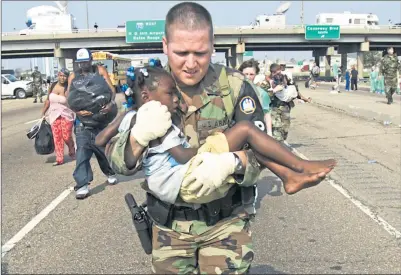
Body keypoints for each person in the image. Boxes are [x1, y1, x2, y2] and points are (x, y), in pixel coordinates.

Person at [105, 2, 318, 273]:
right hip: (170, 228)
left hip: (225, 225)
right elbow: (117, 161)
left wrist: (233, 164)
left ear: (213, 45)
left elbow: (261, 153)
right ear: (165, 45)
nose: (191, 63)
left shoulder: (235, 86)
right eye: (181, 52)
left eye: (201, 53)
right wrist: (136, 138)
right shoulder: (149, 87)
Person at [99, 66, 335, 204]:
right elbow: (180, 155)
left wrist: (126, 118)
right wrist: (214, 152)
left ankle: (290, 175)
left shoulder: (231, 84)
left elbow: (99, 141)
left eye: (200, 52)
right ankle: (299, 167)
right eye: (170, 94)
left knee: (248, 135)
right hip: (185, 178)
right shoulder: (155, 121)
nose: (175, 99)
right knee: (244, 131)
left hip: (187, 186)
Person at [67, 48, 118, 199]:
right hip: (82, 122)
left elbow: (112, 90)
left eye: (86, 61)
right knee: (82, 151)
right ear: (78, 63)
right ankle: (82, 184)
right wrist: (77, 112)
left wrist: (110, 104)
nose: (84, 65)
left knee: (102, 150)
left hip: (100, 119)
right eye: (81, 63)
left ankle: (110, 172)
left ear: (91, 60)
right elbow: (68, 97)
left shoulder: (100, 70)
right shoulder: (73, 76)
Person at [40, 68, 76, 166]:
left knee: (66, 136)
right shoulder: (52, 86)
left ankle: (71, 148)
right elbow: (48, 100)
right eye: (61, 75)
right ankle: (59, 158)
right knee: (57, 137)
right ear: (58, 75)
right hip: (54, 115)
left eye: (64, 76)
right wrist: (43, 112)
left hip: (66, 114)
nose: (62, 78)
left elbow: (71, 100)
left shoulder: (69, 87)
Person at [238, 59, 272, 136]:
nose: (248, 77)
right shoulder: (235, 92)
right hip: (238, 131)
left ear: (256, 74)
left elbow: (266, 113)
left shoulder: (262, 93)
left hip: (257, 131)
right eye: (245, 74)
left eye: (251, 74)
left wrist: (269, 133)